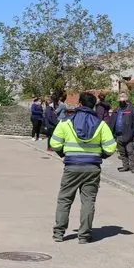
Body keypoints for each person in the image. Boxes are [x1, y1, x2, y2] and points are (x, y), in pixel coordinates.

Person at [50, 92, 117, 244]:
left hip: (72, 166)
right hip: (92, 167)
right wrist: (100, 156)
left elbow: (54, 143)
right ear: (93, 105)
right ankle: (84, 236)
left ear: (79, 103)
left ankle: (59, 233)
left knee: (65, 199)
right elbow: (110, 147)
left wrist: (64, 154)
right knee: (88, 201)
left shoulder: (66, 122)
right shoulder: (100, 124)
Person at [113, 91, 134, 174]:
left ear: (126, 100)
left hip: (128, 135)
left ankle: (133, 167)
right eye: (120, 100)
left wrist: (133, 133)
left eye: (123, 99)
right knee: (122, 152)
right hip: (118, 135)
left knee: (130, 151)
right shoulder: (116, 110)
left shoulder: (132, 110)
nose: (121, 101)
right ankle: (125, 166)